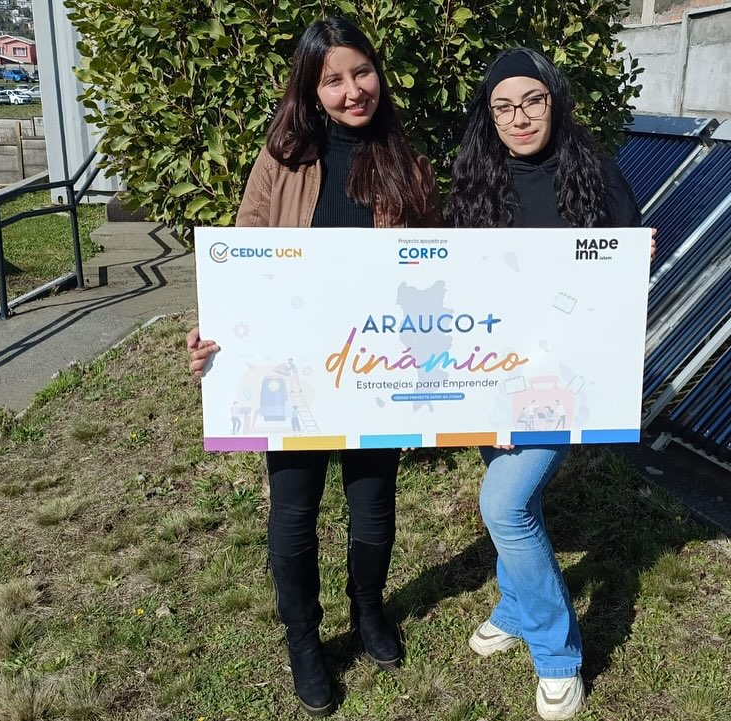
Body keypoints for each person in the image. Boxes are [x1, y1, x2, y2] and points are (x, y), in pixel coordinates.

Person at [187, 17, 440, 717]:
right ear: (311, 88)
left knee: (374, 505)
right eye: (333, 79)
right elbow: (240, 260)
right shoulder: (281, 161)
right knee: (294, 511)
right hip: (293, 374)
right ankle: (303, 639)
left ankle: (368, 608)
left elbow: (437, 272)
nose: (353, 90)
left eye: (362, 72)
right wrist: (212, 330)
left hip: (376, 372)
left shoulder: (407, 164)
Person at [445, 48, 653, 721]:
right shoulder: (474, 179)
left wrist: (640, 258)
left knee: (504, 505)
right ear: (489, 116)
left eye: (532, 100)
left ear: (554, 101)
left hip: (564, 379)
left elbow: (623, 279)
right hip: (489, 374)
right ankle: (515, 604)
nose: (519, 117)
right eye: (503, 106)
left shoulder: (595, 173)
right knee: (518, 501)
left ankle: (558, 655)